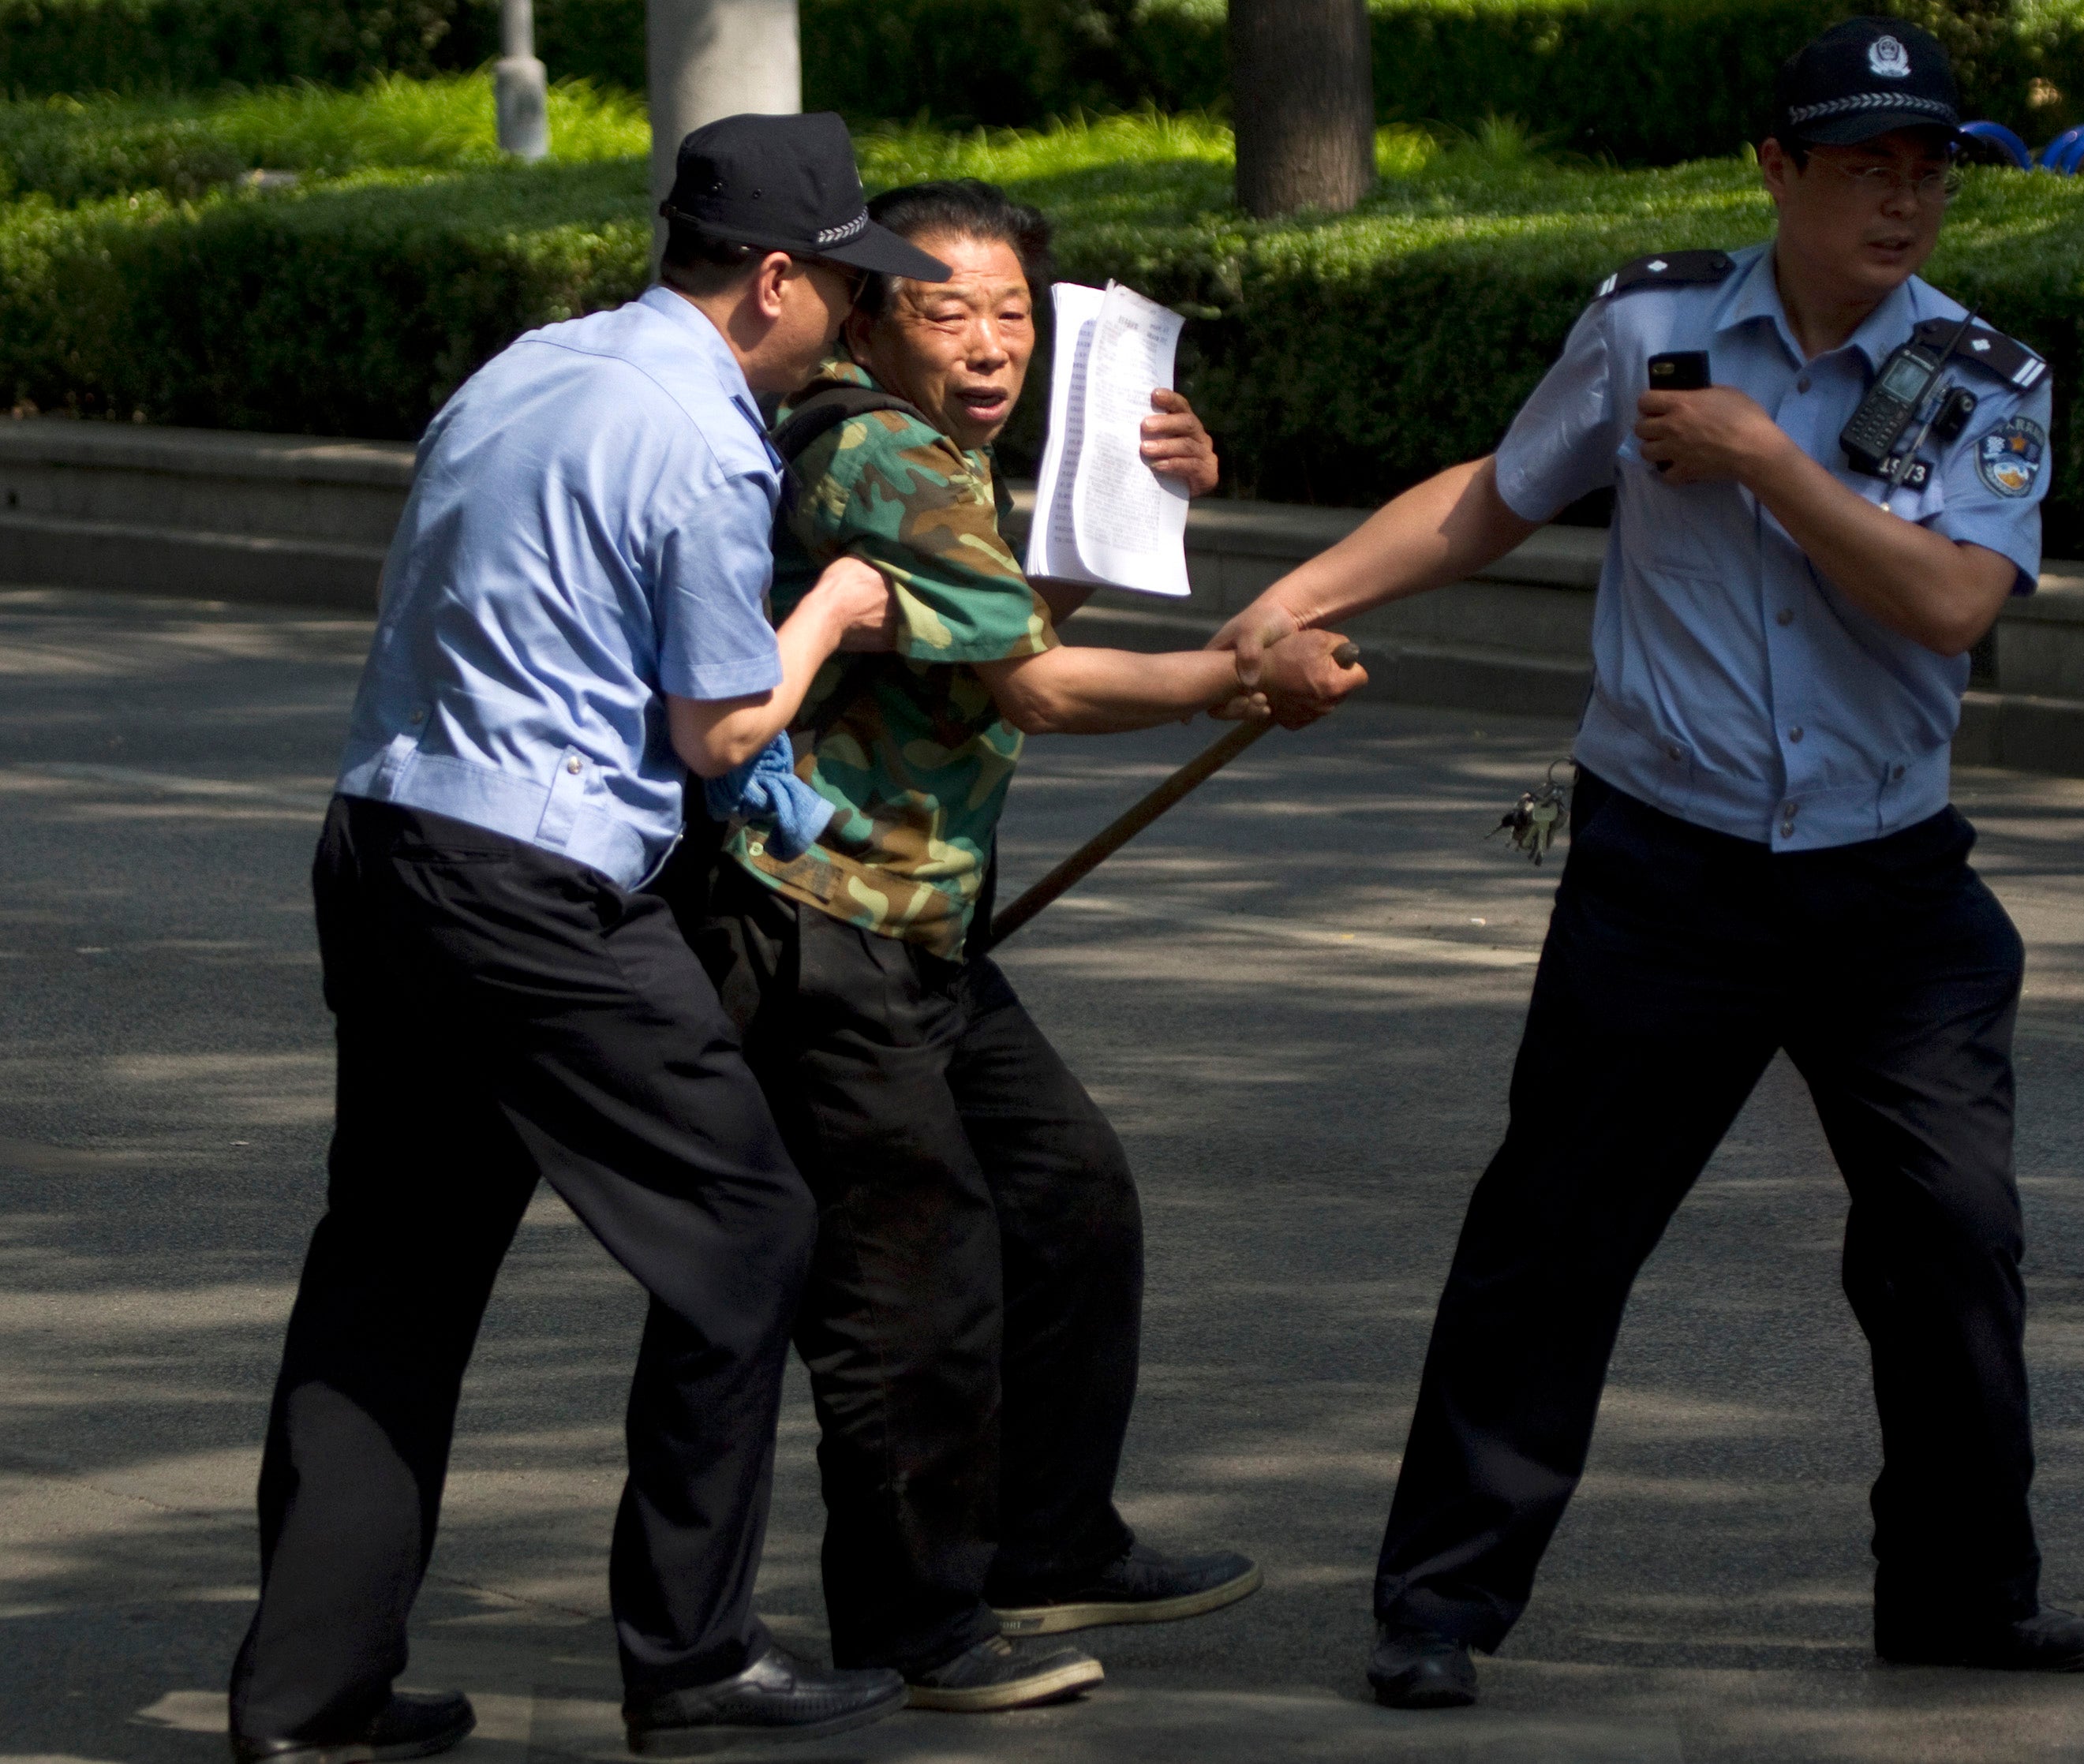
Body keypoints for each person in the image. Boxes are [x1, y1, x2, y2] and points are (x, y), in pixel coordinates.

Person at [1207, 16, 2084, 1710]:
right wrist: (1303, 593)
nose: (1903, 203)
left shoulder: (1988, 379)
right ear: (1776, 170)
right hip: (1666, 871)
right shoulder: (1651, 325)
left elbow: (1947, 604)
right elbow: (1496, 495)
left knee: (1954, 1243)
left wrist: (1772, 462)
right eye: (1864, 170)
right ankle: (1439, 1603)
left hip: (1887, 882)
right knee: (1552, 1235)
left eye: (1927, 173)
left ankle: (1964, 1594)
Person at [226, 115, 956, 1761]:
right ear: (774, 278)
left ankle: (305, 1695)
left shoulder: (528, 364)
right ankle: (692, 1656)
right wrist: (838, 605)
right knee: (749, 1227)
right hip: (536, 883)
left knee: (392, 1271)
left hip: (385, 837)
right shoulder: (703, 442)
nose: (855, 319)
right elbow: (712, 727)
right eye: (847, 287)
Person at [660, 178, 1365, 1712]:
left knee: (1068, 1195)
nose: (989, 346)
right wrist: (1241, 673)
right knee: (914, 1280)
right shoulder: (875, 454)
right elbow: (1036, 688)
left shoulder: (942, 465)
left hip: (920, 929)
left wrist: (1133, 486)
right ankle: (916, 1628)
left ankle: (1045, 1537)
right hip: (820, 922)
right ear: (864, 314)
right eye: (945, 309)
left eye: (1013, 315)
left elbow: (993, 632)